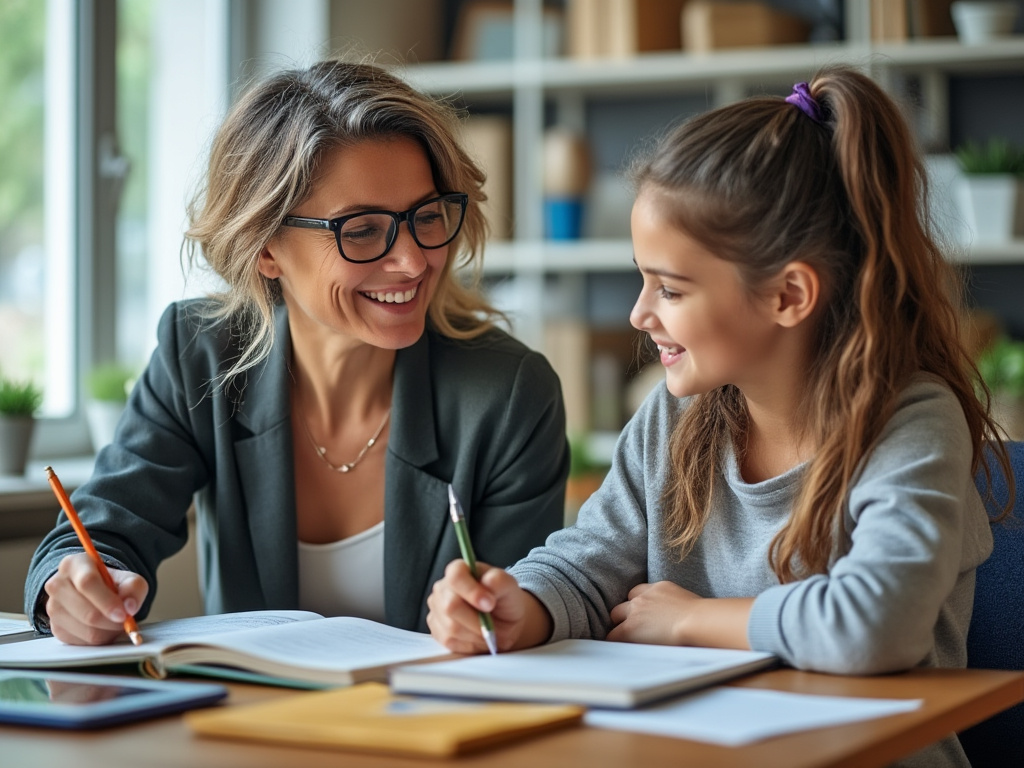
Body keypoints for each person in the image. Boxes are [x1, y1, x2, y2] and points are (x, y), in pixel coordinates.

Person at [426, 66, 1012, 768]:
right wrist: (527, 605)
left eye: (669, 288)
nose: (641, 314)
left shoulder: (910, 425)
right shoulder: (675, 421)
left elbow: (875, 626)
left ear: (789, 295)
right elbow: (590, 565)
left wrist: (691, 621)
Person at [25, 59, 569, 645]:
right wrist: (77, 586)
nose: (412, 261)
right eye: (361, 230)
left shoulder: (511, 394)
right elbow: (99, 533)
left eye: (426, 216)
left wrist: (502, 618)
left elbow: (521, 613)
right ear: (265, 249)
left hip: (434, 727)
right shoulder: (199, 355)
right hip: (246, 726)